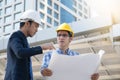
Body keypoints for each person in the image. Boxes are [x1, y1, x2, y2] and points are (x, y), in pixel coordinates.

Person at [4, 10, 55, 80]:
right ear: (27, 24)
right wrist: (42, 47)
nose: (37, 30)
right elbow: (20, 52)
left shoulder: (24, 40)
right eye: (36, 26)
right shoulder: (15, 36)